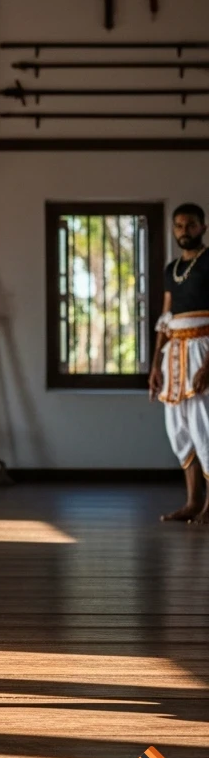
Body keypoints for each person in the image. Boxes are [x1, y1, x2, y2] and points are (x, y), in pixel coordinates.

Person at [150, 202, 209, 524]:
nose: (183, 231)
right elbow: (166, 316)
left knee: (206, 426)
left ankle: (208, 506)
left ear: (203, 227)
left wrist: (207, 365)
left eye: (190, 225)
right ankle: (191, 502)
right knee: (180, 429)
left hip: (203, 352)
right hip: (174, 354)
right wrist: (155, 366)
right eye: (178, 226)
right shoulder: (171, 269)